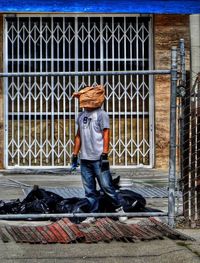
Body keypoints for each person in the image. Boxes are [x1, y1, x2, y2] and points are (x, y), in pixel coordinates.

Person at [71, 105, 127, 223]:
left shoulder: (101, 114)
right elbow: (78, 136)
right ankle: (93, 214)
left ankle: (119, 209)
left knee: (106, 186)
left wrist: (105, 153)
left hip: (98, 159)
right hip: (85, 159)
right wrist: (75, 154)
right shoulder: (81, 116)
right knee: (89, 190)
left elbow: (106, 133)